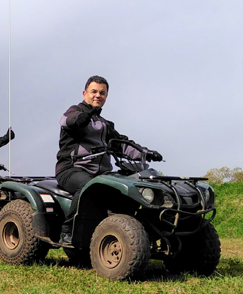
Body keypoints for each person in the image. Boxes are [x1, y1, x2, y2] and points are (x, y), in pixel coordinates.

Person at [55, 75, 162, 246]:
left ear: (106, 97)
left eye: (102, 93)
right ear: (85, 93)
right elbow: (69, 122)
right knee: (88, 186)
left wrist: (146, 153)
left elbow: (122, 144)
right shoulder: (74, 112)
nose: (98, 95)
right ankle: (67, 232)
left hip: (101, 174)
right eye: (94, 92)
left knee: (126, 194)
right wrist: (88, 112)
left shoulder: (105, 124)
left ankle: (130, 236)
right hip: (71, 169)